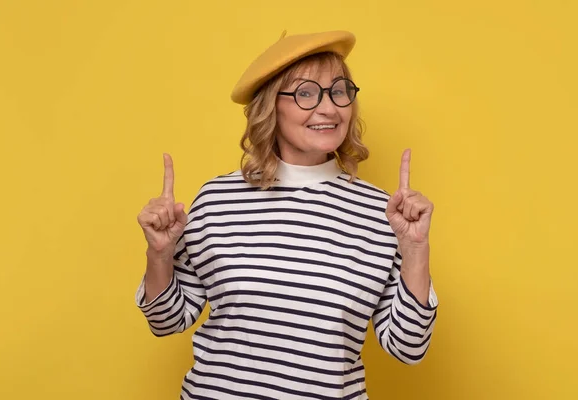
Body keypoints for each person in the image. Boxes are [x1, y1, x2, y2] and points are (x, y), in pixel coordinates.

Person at [135, 30, 438, 400]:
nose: (328, 108)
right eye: (306, 93)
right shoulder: (218, 198)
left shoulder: (385, 214)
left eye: (339, 91)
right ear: (269, 107)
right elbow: (167, 321)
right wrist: (160, 255)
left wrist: (416, 250)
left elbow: (407, 347)